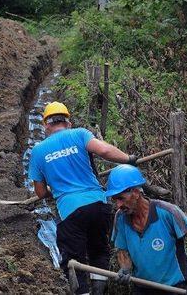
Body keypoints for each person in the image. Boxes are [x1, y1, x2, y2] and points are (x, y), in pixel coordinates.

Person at [28, 101, 137, 295]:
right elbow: (103, 150)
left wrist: (55, 188)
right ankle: (98, 291)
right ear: (67, 122)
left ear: (46, 125)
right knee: (99, 251)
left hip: (70, 211)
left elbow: (40, 192)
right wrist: (128, 159)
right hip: (98, 205)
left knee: (73, 260)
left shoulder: (37, 151)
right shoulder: (80, 134)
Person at [107, 165, 187, 295]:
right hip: (143, 288)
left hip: (175, 287)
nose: (118, 205)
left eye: (121, 198)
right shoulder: (120, 218)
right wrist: (125, 269)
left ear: (136, 193)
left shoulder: (167, 212)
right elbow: (122, 250)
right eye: (114, 199)